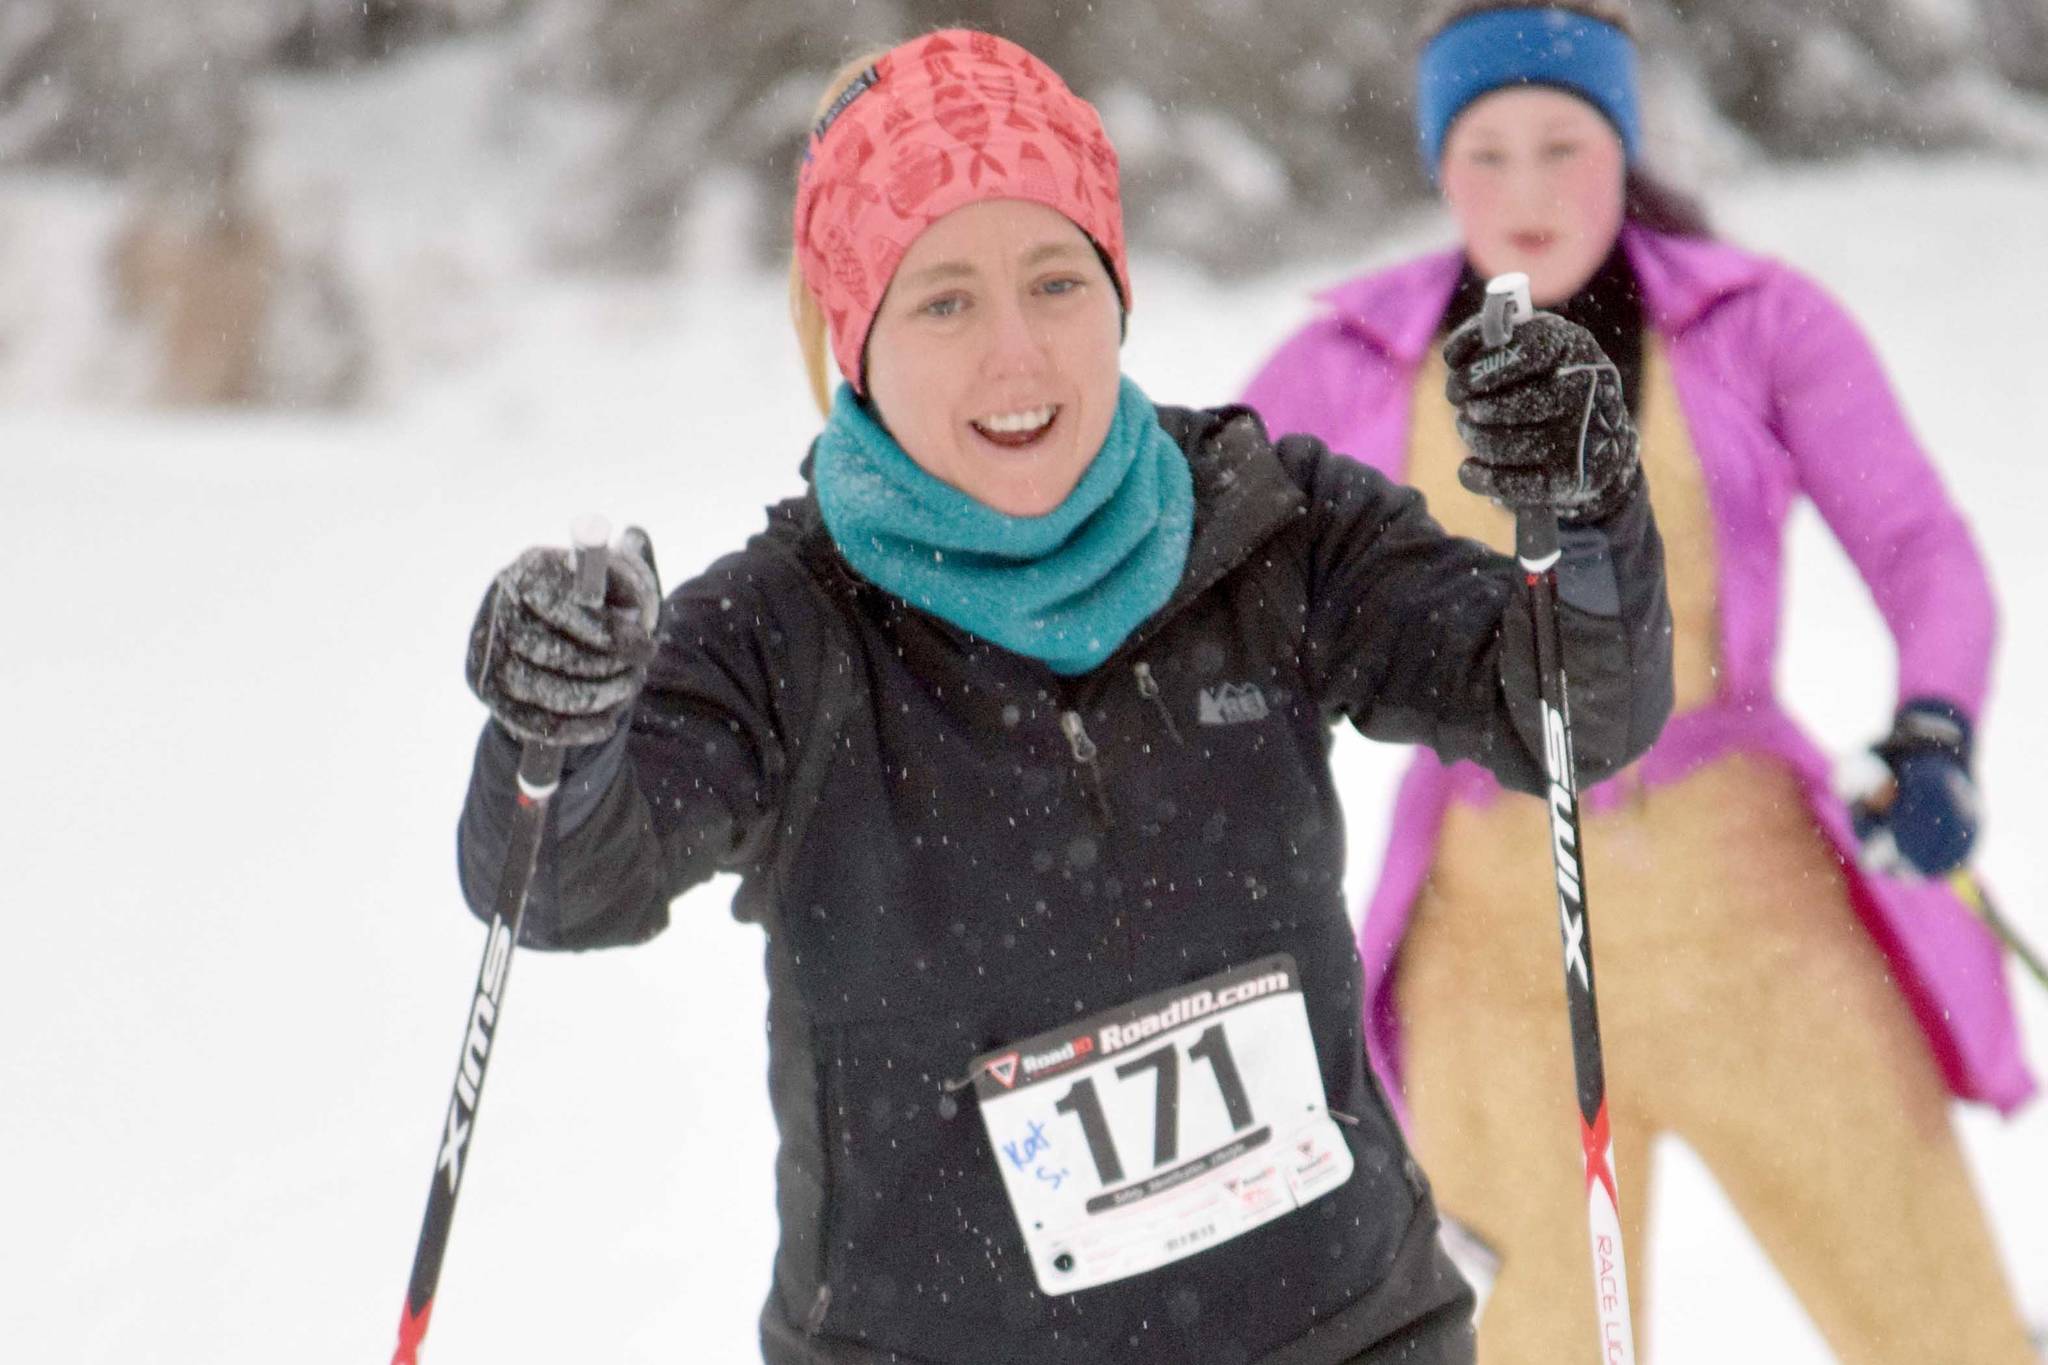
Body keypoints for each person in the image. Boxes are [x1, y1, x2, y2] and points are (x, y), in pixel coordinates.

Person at [457, 28, 1673, 1365]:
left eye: (1054, 280)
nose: (1018, 356)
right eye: (944, 302)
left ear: (1118, 291)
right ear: (854, 338)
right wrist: (553, 725)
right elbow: (562, 882)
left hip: (1339, 1330)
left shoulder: (1270, 527)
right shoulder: (780, 634)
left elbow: (1566, 710)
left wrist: (1589, 508)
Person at [1240, 3, 2037, 1362]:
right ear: (1438, 165)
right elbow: (1226, 583)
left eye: (1564, 144)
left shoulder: (1756, 322)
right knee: (1516, 1344)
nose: (1528, 193)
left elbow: (1919, 546)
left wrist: (1936, 729)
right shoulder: (1349, 360)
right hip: (1490, 944)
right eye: (1485, 153)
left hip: (1759, 908)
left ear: (1624, 140)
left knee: (1939, 1322)